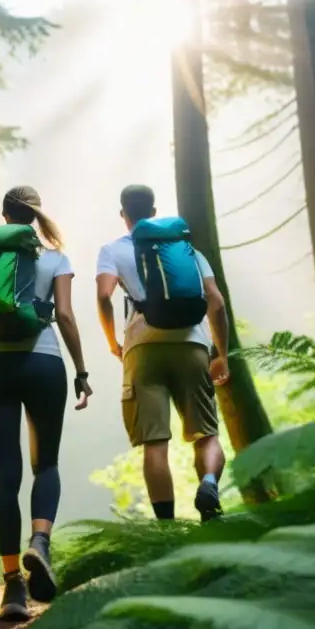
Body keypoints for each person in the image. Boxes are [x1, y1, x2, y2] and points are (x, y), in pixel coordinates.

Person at [0, 186, 93, 622]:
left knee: (6, 476)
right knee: (48, 464)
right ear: (36, 215)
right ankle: (39, 541)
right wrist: (81, 370)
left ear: (3, 215)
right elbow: (65, 315)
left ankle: (12, 590)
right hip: (43, 362)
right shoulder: (57, 258)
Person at [95, 185, 230, 523]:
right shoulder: (187, 250)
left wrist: (113, 341)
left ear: (123, 214)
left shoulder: (113, 250)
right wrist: (221, 353)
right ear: (154, 212)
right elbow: (216, 301)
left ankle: (166, 529)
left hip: (143, 349)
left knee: (155, 443)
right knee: (207, 434)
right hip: (192, 346)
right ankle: (209, 485)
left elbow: (103, 295)